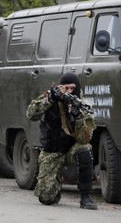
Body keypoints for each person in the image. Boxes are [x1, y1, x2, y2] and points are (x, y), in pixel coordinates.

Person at [26, 73, 97, 210]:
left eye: (72, 88)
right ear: (60, 87)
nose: (69, 92)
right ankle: (55, 187)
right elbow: (30, 114)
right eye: (66, 88)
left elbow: (85, 139)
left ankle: (85, 197)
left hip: (71, 150)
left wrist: (78, 118)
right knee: (46, 198)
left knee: (86, 149)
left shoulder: (83, 105)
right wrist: (50, 99)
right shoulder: (50, 96)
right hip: (51, 151)